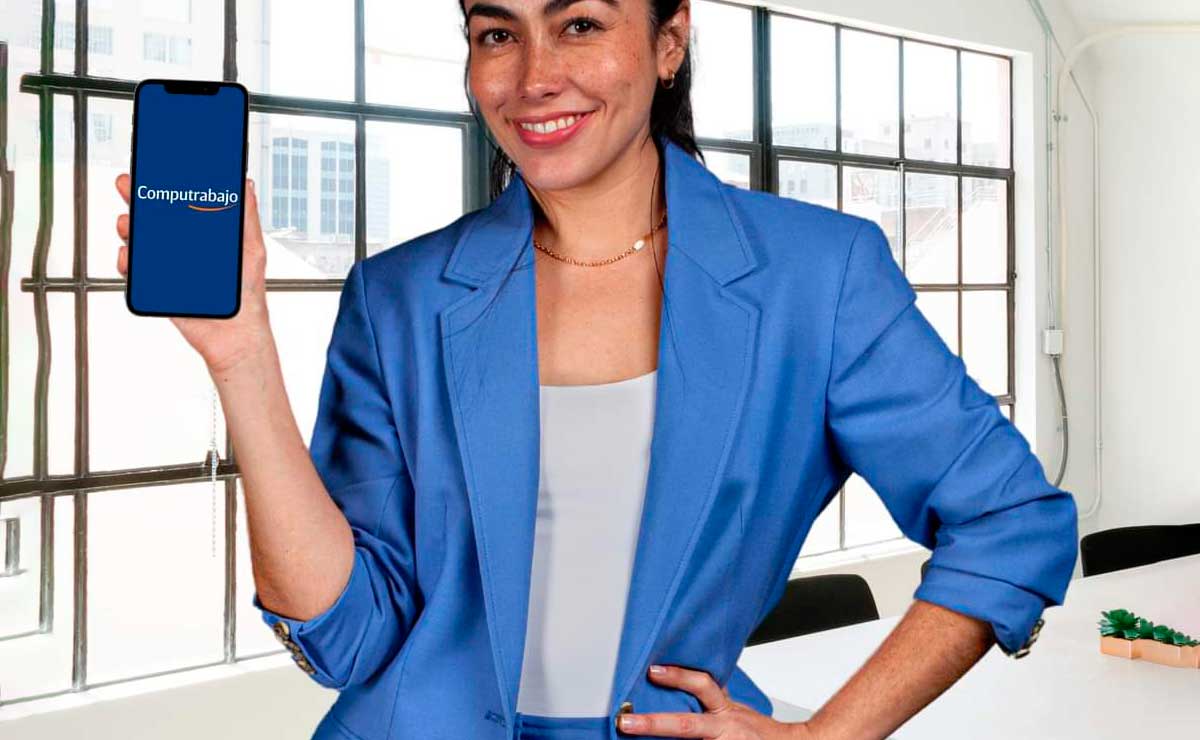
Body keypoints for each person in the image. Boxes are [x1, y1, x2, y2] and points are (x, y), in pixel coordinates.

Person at [113, 1, 1078, 738]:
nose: (533, 77)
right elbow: (351, 635)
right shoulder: (399, 296)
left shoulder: (816, 278)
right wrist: (241, 358)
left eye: (578, 24)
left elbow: (1011, 521)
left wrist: (834, 731)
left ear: (670, 41)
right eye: (497, 33)